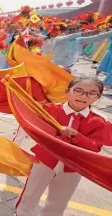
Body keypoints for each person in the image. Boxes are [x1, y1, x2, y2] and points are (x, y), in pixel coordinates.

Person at [15, 77, 112, 216]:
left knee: (58, 202)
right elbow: (34, 127)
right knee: (29, 196)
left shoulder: (98, 121)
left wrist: (76, 135)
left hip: (73, 167)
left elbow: (95, 147)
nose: (83, 96)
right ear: (67, 92)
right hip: (45, 161)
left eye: (91, 93)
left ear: (98, 97)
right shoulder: (48, 110)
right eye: (78, 90)